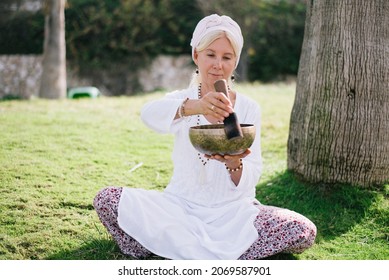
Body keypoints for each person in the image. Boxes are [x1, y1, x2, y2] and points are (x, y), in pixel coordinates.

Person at [93, 14, 316, 260]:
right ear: (196, 56)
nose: (218, 64)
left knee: (302, 229)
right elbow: (148, 114)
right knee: (107, 199)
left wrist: (235, 164)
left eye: (226, 57)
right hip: (180, 208)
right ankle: (212, 254)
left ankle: (170, 249)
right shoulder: (183, 100)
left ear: (235, 61)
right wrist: (195, 106)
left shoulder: (248, 108)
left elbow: (254, 170)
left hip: (234, 215)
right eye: (210, 55)